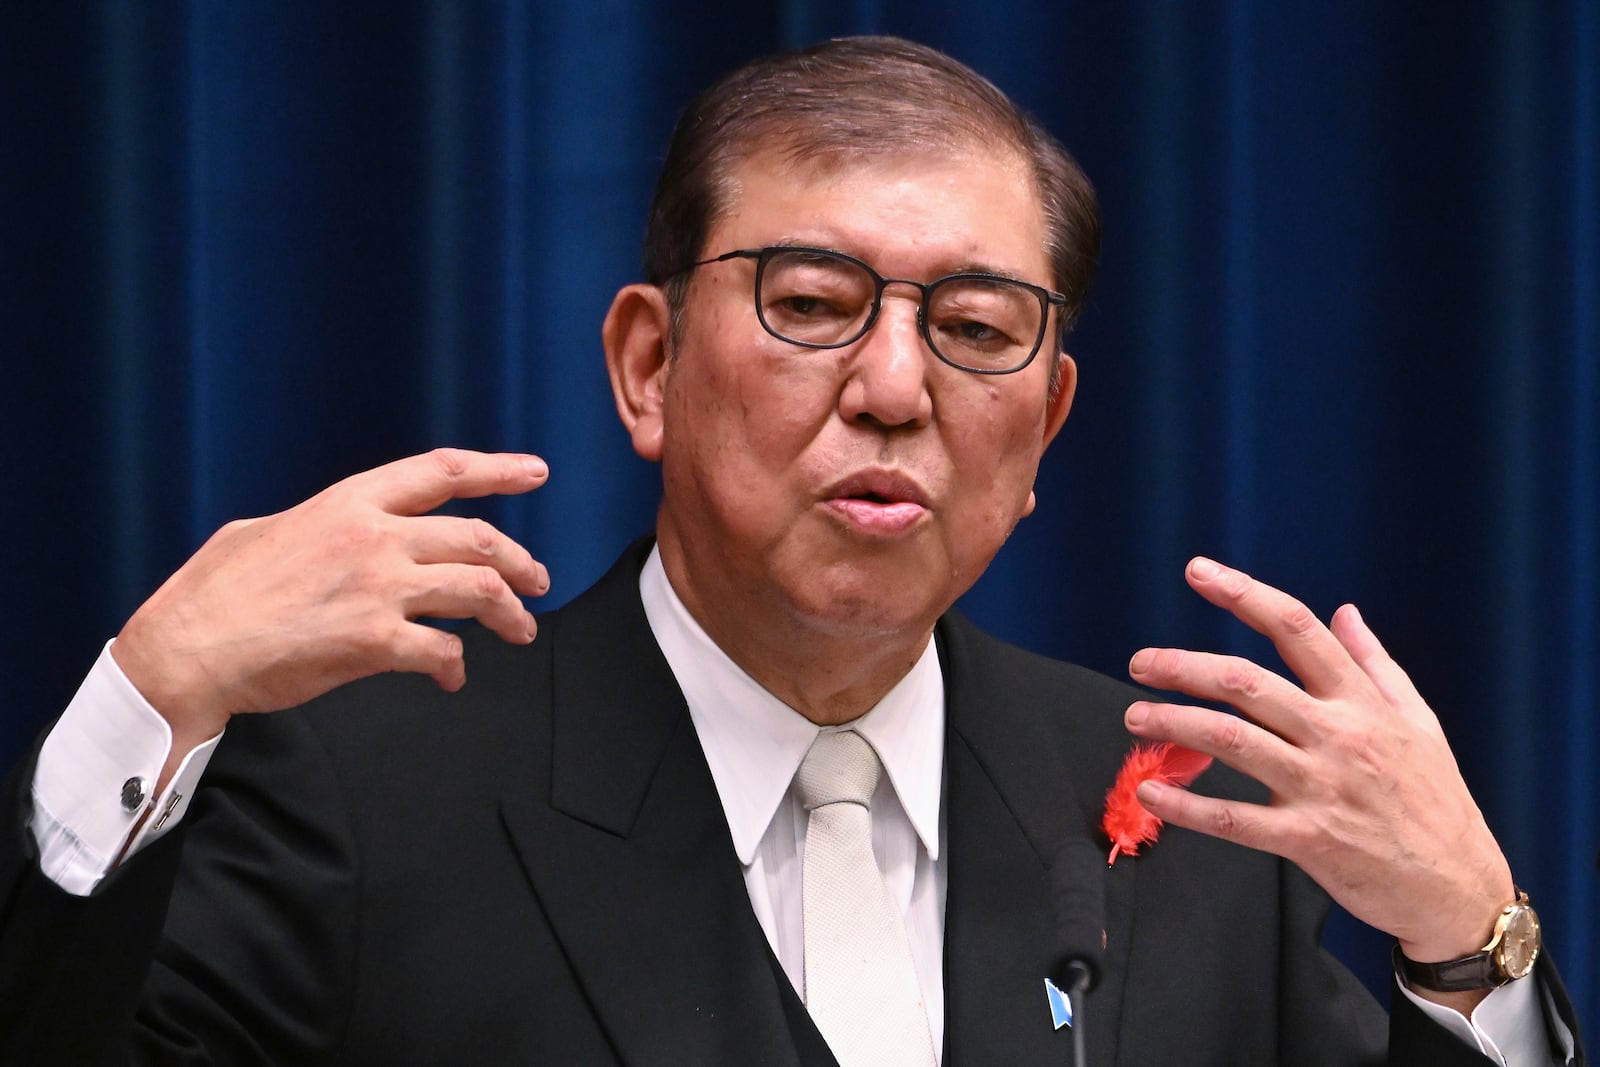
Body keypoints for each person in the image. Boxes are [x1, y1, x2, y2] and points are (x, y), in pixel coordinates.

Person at [0, 35, 1583, 1066]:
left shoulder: (1184, 825)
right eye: (813, 305)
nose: (894, 388)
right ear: (648, 366)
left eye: (973, 329)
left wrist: (1472, 949)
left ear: (1044, 427)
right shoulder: (361, 782)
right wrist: (146, 698)